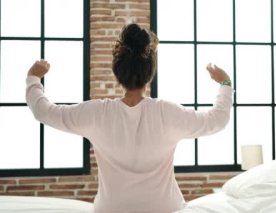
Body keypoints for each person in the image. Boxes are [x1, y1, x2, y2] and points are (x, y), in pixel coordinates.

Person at [26, 23, 233, 213]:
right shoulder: (168, 113)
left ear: (117, 71)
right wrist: (225, 83)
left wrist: (33, 77)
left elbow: (43, 111)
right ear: (150, 73)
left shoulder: (97, 113)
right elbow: (217, 120)